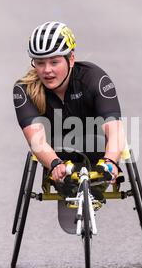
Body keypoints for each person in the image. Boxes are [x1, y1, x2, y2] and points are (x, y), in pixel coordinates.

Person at [13, 21, 126, 192]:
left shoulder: (94, 78)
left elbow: (115, 130)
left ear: (71, 59)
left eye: (54, 62)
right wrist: (55, 163)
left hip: (97, 149)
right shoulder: (24, 89)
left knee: (96, 143)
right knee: (68, 206)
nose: (46, 70)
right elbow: (37, 141)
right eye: (40, 63)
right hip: (57, 154)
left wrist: (110, 162)